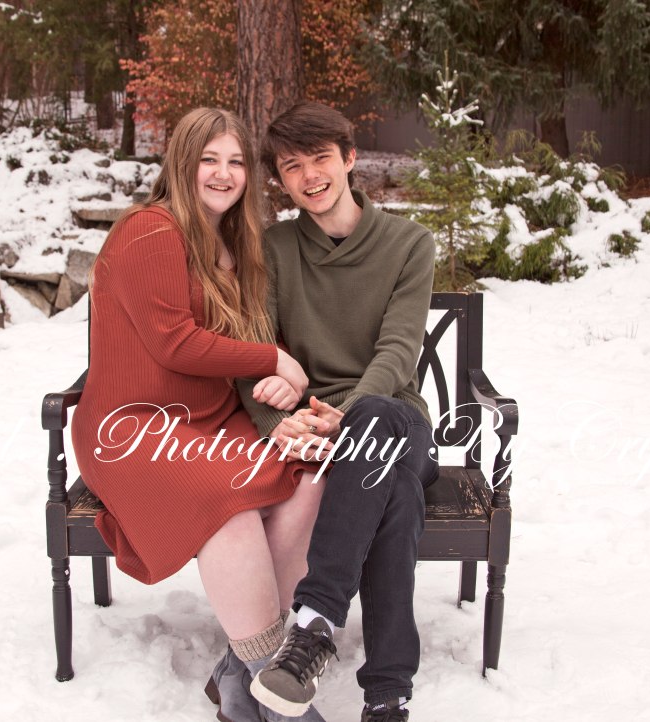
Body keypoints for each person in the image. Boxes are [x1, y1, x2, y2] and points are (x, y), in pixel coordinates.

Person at [69, 107, 328, 722]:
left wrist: (277, 378)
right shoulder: (150, 231)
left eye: (235, 161)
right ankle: (278, 696)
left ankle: (241, 679)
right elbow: (174, 343)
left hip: (211, 419)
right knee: (227, 507)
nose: (223, 173)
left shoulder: (233, 241)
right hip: (135, 428)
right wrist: (273, 359)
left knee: (309, 477)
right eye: (209, 159)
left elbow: (243, 332)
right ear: (182, 163)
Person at [239, 101, 438, 722]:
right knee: (394, 490)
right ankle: (387, 693)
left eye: (321, 158)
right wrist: (277, 424)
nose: (309, 176)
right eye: (292, 166)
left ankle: (315, 623)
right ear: (281, 178)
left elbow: (398, 351)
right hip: (321, 435)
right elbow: (254, 351)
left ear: (349, 158)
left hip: (394, 417)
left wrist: (347, 416)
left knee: (376, 421)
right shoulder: (274, 248)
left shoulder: (408, 244)